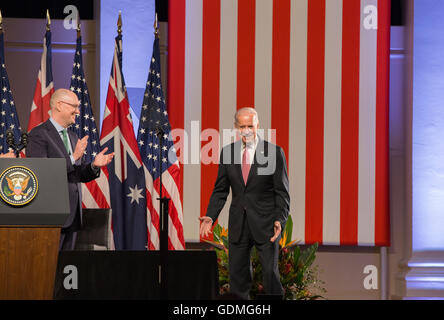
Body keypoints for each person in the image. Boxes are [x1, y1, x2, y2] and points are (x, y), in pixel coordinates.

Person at [200, 107, 290, 300]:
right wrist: (211, 215)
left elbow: (282, 193)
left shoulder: (274, 152)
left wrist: (279, 221)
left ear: (258, 125)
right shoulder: (228, 152)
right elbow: (220, 190)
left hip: (266, 225)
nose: (247, 130)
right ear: (236, 128)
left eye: (251, 125)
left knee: (270, 275)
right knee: (238, 279)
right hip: (238, 224)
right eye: (243, 126)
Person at [26, 88, 114, 250]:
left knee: (66, 266)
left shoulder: (73, 137)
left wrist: (94, 165)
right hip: (50, 214)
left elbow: (77, 174)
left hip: (72, 215)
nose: (78, 111)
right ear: (59, 105)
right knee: (49, 268)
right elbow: (42, 173)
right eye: (74, 106)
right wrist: (73, 157)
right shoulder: (38, 135)